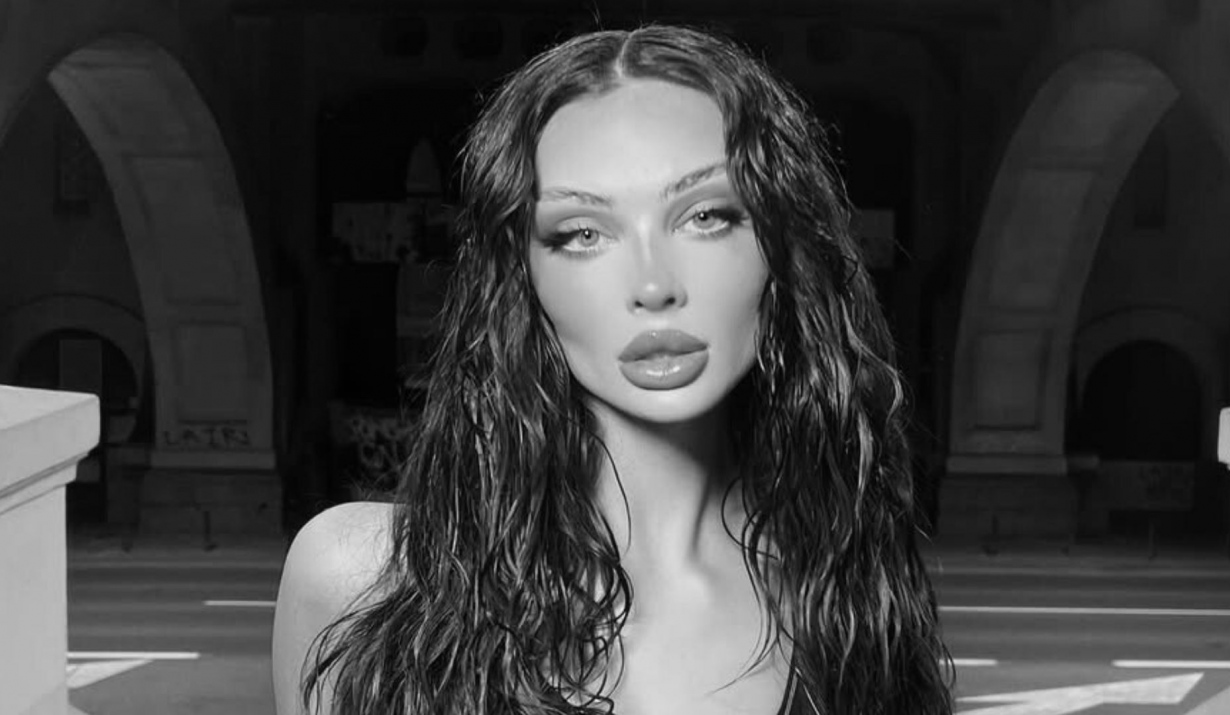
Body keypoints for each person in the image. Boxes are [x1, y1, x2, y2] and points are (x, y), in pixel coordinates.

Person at [273, 23, 954, 715]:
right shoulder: (358, 582)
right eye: (582, 233)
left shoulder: (850, 609)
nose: (654, 285)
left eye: (707, 216)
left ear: (782, 248)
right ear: (521, 276)